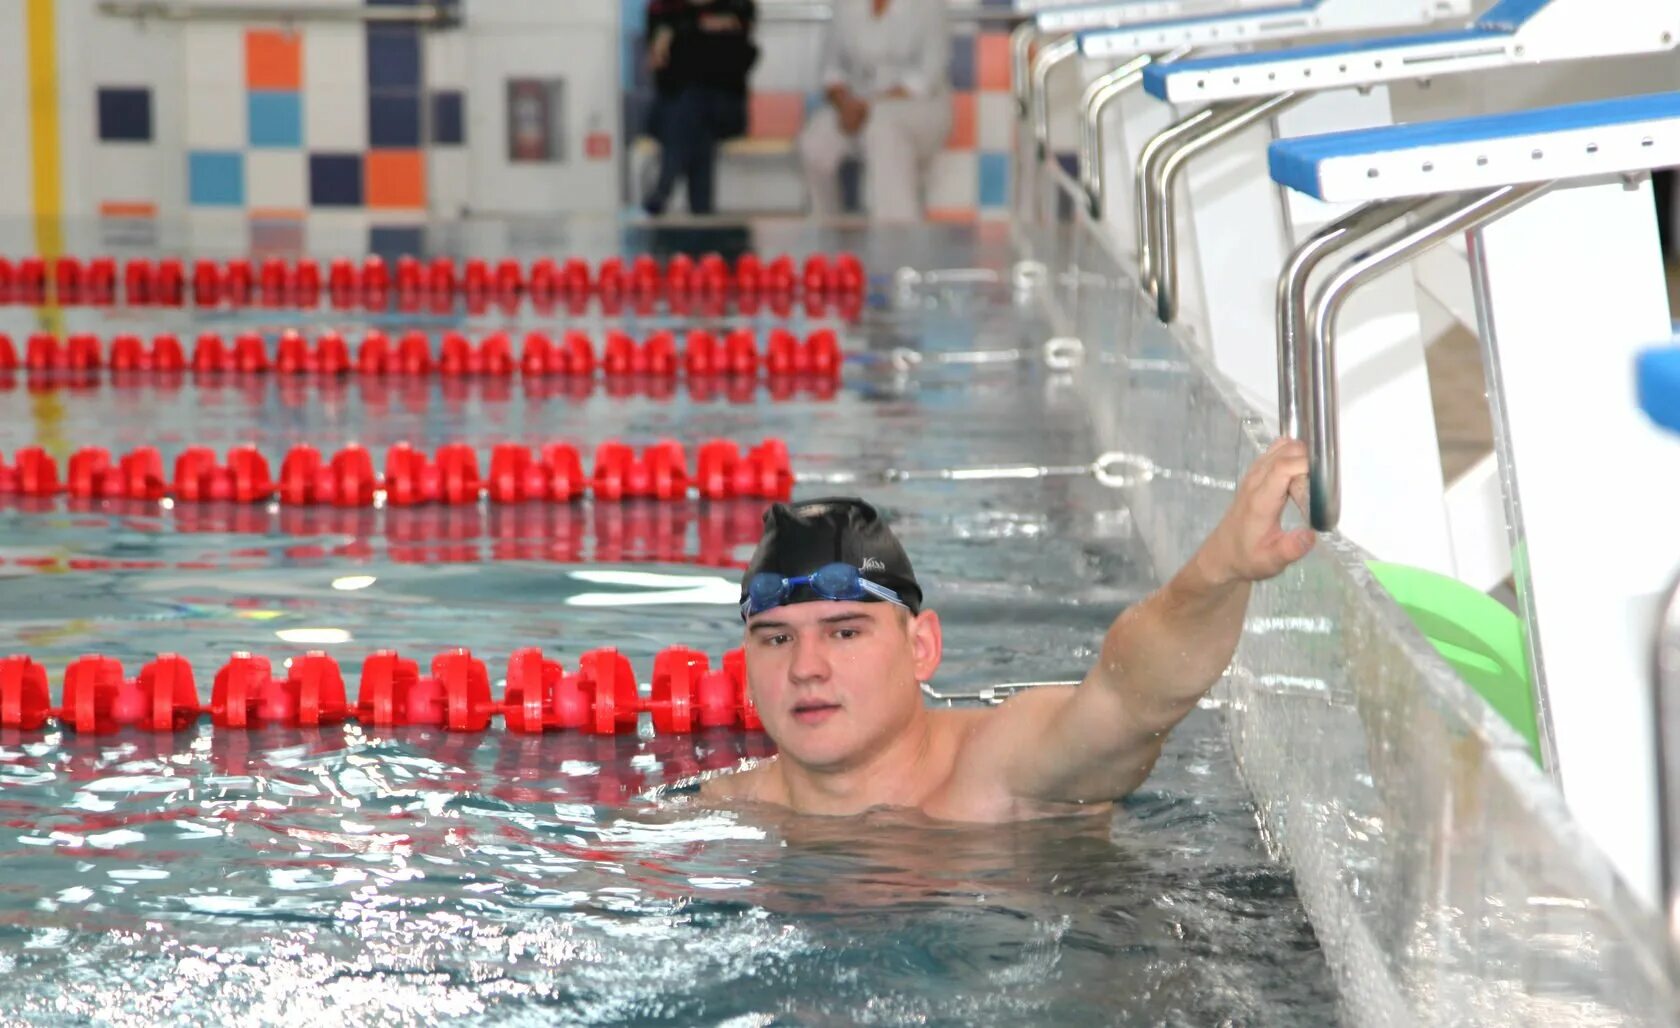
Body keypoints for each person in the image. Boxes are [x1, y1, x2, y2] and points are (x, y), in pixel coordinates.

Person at [703, 439, 1317, 820]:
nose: (806, 667)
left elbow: (1132, 699)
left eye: (844, 632)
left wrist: (1219, 571)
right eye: (777, 638)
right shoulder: (721, 813)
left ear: (922, 648)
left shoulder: (999, 772)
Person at [798, 0, 952, 222]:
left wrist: (868, 105)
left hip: (919, 109)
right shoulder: (845, 6)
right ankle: (827, 230)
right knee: (815, 140)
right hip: (855, 108)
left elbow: (927, 76)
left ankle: (897, 235)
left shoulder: (929, 6)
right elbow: (831, 70)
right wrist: (845, 104)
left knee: (881, 129)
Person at [642, 0, 759, 217]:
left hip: (722, 108)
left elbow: (735, 58)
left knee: (691, 107)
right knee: (695, 121)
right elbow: (660, 64)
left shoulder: (737, 6)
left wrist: (681, 37)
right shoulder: (662, 8)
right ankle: (702, 214)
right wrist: (702, 32)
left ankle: (664, 186)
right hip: (679, 109)